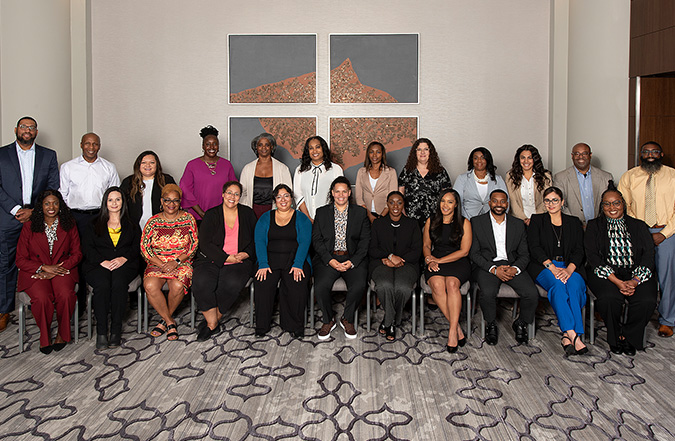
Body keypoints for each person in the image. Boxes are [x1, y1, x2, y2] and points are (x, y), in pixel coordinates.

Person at [0, 116, 59, 332]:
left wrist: (34, 211)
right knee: (5, 265)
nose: (27, 130)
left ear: (36, 131)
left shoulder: (48, 155)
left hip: (38, 217)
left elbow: (53, 186)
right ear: (16, 129)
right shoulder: (1, 154)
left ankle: (41, 307)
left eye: (31, 127)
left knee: (41, 259)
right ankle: (4, 310)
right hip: (9, 217)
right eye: (24, 127)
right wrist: (16, 210)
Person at [585, 187, 657, 355]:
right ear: (602, 207)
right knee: (610, 298)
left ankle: (630, 337)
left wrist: (635, 280)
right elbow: (593, 257)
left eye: (616, 203)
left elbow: (648, 254)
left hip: (635, 272)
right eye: (607, 204)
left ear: (623, 204)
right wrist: (617, 281)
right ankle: (615, 336)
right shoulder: (594, 226)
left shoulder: (639, 226)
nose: (612, 207)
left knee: (646, 300)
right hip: (606, 273)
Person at [618, 141, 675, 338]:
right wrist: (639, 230)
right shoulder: (630, 176)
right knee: (638, 275)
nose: (650, 154)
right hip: (638, 233)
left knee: (668, 278)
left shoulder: (672, 175)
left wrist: (664, 233)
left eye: (654, 152)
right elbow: (624, 205)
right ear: (641, 154)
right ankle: (638, 317)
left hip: (666, 232)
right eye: (646, 152)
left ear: (661, 154)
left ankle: (667, 320)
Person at [59, 132, 121, 310]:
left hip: (101, 217)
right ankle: (78, 302)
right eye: (87, 144)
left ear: (99, 146)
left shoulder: (109, 167)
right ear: (81, 145)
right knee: (77, 256)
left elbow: (114, 195)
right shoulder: (68, 167)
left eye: (95, 144)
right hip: (75, 216)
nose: (91, 147)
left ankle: (99, 300)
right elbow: (62, 195)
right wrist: (67, 218)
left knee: (101, 255)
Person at [15, 190, 81, 353]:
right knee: (42, 298)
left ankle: (62, 334)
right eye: (47, 203)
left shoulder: (69, 224)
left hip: (62, 269)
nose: (51, 207)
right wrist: (44, 268)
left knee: (66, 295)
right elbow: (20, 259)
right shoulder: (29, 226)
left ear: (60, 205)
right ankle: (44, 337)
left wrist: (56, 269)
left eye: (55, 203)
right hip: (37, 271)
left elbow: (77, 254)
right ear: (41, 206)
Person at [469, 189, 538, 345]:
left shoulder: (518, 224)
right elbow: (474, 253)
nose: (499, 204)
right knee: (487, 292)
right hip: (488, 265)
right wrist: (494, 269)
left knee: (531, 293)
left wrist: (515, 269)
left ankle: (521, 323)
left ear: (507, 203)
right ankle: (491, 324)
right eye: (495, 201)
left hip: (512, 264)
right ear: (489, 203)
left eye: (502, 201)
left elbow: (524, 254)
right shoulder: (477, 222)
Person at [193, 181, 256, 341]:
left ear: (240, 197)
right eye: (229, 192)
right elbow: (205, 243)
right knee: (202, 282)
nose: (232, 197)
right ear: (222, 194)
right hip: (211, 259)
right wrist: (226, 258)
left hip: (240, 260)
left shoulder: (247, 213)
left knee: (232, 283)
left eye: (236, 194)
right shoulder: (211, 214)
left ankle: (211, 322)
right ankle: (212, 323)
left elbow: (257, 240)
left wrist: (245, 254)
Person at [526, 187, 587, 355]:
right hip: (544, 266)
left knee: (574, 287)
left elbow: (579, 250)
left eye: (554, 200)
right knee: (558, 286)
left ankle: (567, 337)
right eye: (547, 200)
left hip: (570, 266)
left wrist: (569, 269)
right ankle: (574, 334)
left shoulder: (574, 222)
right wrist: (552, 268)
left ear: (562, 202)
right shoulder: (537, 220)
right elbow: (534, 248)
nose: (551, 204)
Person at [82, 187, 141, 349]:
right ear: (105, 203)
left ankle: (115, 329)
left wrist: (123, 258)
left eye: (118, 199)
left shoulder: (132, 223)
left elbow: (137, 247)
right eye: (110, 200)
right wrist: (102, 261)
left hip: (125, 264)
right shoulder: (93, 223)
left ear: (123, 202)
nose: (114, 203)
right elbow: (87, 248)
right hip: (98, 264)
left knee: (118, 284)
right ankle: (102, 331)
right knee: (101, 285)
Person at [312, 177, 370, 340]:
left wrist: (352, 262)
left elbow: (365, 241)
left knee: (359, 284)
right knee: (321, 285)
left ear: (349, 193)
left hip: (352, 258)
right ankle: (328, 319)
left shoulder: (359, 213)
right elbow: (317, 240)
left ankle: (348, 318)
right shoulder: (321, 212)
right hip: (328, 258)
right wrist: (330, 261)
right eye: (337, 191)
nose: (341, 195)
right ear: (332, 193)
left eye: (344, 191)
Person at [141, 184, 198, 341]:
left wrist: (176, 261)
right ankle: (169, 321)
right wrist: (161, 264)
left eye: (175, 201)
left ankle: (163, 321)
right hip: (157, 262)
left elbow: (193, 245)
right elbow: (145, 248)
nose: (171, 204)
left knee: (178, 286)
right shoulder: (153, 221)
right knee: (150, 286)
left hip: (181, 262)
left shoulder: (188, 219)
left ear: (180, 202)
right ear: (161, 201)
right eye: (167, 200)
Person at [254, 184, 311, 338]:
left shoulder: (301, 217)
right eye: (279, 197)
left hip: (295, 258)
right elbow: (259, 241)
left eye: (286, 195)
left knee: (296, 283)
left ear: (291, 198)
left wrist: (298, 264)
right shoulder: (266, 217)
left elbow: (305, 242)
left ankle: (294, 325)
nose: (283, 199)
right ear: (275, 200)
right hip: (269, 259)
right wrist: (263, 264)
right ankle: (262, 325)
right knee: (263, 282)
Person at [423, 188, 472, 352]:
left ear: (456, 204)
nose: (445, 205)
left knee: (451, 284)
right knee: (436, 284)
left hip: (457, 261)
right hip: (435, 259)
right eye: (443, 201)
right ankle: (457, 328)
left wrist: (440, 260)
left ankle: (451, 331)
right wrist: (429, 259)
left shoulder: (465, 223)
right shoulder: (431, 221)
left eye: (450, 202)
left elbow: (464, 251)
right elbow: (426, 245)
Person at [369, 191, 422, 341]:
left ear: (403, 204)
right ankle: (392, 322)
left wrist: (400, 259)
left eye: (399, 202)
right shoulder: (378, 224)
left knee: (403, 288)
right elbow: (372, 249)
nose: (395, 206)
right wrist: (390, 257)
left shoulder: (412, 224)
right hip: (381, 262)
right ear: (387, 204)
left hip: (407, 264)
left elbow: (417, 250)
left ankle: (388, 321)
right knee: (384, 285)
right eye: (391, 202)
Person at [180, 125, 237, 222]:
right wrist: (201, 213)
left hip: (222, 216)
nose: (211, 147)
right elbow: (186, 190)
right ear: (203, 146)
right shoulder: (192, 165)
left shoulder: (226, 165)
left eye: (215, 144)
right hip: (198, 216)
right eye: (208, 144)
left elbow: (233, 189)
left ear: (218, 146)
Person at [553, 143, 613, 225]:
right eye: (577, 154)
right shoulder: (560, 178)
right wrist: (575, 223)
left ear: (590, 155)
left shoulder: (606, 177)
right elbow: (559, 205)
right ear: (572, 156)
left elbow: (609, 204)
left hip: (599, 227)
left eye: (584, 153)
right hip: (572, 227)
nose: (580, 157)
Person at [398, 138, 451, 227]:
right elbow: (400, 193)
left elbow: (448, 195)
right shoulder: (407, 171)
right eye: (419, 149)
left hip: (434, 218)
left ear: (431, 152)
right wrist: (402, 212)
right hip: (410, 217)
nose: (422, 152)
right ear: (415, 153)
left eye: (426, 149)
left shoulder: (440, 171)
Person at [239, 133, 293, 218]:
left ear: (272, 147)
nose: (263, 148)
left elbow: (288, 193)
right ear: (256, 147)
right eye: (260, 145)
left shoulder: (282, 168)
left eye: (267, 145)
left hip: (275, 211)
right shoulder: (248, 168)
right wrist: (246, 212)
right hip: (252, 211)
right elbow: (242, 193)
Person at [120, 150, 176, 230]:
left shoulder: (166, 180)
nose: (148, 165)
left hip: (162, 226)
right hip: (134, 228)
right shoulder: (128, 182)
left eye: (152, 162)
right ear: (138, 165)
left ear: (157, 165)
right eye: (143, 162)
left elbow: (175, 202)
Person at [293, 136, 343, 222]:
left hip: (329, 219)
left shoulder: (335, 169)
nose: (314, 151)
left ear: (323, 148)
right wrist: (308, 218)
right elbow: (298, 195)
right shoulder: (300, 170)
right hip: (305, 219)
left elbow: (339, 195)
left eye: (318, 147)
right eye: (311, 148)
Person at [454, 147, 507, 220]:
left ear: (487, 160)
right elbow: (457, 202)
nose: (479, 161)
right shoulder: (462, 179)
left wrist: (500, 218)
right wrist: (465, 219)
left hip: (493, 220)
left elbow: (506, 201)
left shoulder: (498, 179)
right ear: (472, 160)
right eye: (475, 158)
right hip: (468, 219)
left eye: (482, 158)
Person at [505, 144, 552, 225]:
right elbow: (512, 201)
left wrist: (535, 219)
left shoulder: (545, 176)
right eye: (523, 158)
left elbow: (547, 200)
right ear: (518, 159)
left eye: (529, 158)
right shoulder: (510, 176)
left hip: (541, 219)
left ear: (535, 159)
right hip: (518, 220)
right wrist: (524, 219)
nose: (526, 161)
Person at [355, 142, 399, 223]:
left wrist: (381, 217)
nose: (374, 155)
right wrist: (369, 215)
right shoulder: (361, 172)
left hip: (385, 215)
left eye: (378, 152)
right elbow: (359, 198)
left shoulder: (391, 172)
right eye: (371, 152)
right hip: (365, 215)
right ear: (368, 154)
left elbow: (392, 197)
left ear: (382, 154)